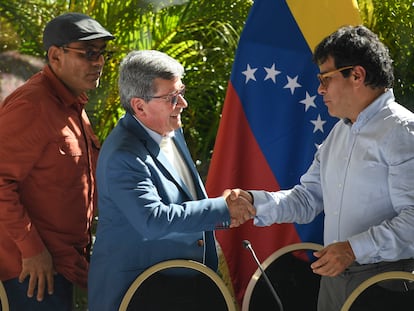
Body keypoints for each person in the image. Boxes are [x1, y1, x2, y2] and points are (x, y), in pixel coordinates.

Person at [230, 25, 414, 311]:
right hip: (334, 278)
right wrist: (255, 202)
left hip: (387, 284)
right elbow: (307, 198)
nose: (319, 89)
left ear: (357, 75)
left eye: (325, 78)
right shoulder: (339, 132)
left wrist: (353, 249)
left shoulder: (403, 131)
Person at [87, 50, 255, 311]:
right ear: (139, 106)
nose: (183, 103)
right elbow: (152, 219)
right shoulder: (124, 155)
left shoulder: (170, 129)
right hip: (138, 295)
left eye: (182, 92)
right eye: (171, 97)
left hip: (184, 289)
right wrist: (222, 208)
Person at [0, 12, 114, 311]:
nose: (98, 62)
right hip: (32, 271)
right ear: (55, 55)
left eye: (102, 54)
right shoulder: (32, 105)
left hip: (65, 264)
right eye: (88, 53)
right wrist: (31, 249)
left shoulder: (72, 102)